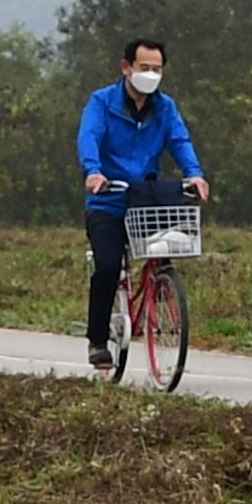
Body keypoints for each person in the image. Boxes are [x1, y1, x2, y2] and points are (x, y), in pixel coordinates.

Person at [78, 38, 208, 370]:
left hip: (145, 200)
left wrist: (194, 174)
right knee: (107, 268)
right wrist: (94, 172)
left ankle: (160, 291)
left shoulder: (165, 108)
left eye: (157, 69)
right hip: (108, 199)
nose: (150, 75)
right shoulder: (102, 102)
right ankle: (97, 340)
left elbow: (180, 140)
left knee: (167, 249)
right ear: (127, 68)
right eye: (144, 68)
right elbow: (89, 137)